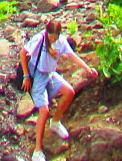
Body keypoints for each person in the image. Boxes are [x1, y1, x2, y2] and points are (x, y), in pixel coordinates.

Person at [19, 19, 97, 161]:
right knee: (44, 110)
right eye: (51, 36)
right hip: (37, 76)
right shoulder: (39, 38)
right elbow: (23, 53)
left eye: (55, 37)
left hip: (50, 74)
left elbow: (73, 56)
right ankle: (37, 151)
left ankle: (55, 122)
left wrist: (88, 69)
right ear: (47, 32)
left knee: (69, 92)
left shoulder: (61, 41)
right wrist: (26, 76)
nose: (53, 39)